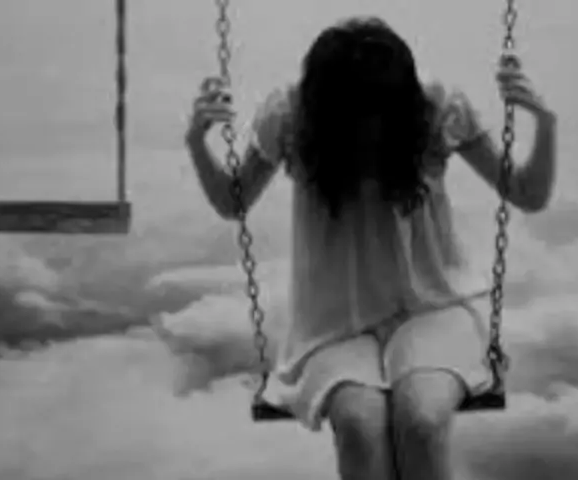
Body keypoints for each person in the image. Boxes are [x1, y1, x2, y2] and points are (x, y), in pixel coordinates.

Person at [184, 15, 556, 480]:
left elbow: (526, 192)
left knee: (421, 421)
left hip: (434, 306)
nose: (368, 131)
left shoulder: (435, 110)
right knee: (360, 426)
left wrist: (545, 123)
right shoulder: (291, 117)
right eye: (354, 118)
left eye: (380, 115)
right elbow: (232, 201)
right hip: (332, 319)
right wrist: (197, 143)